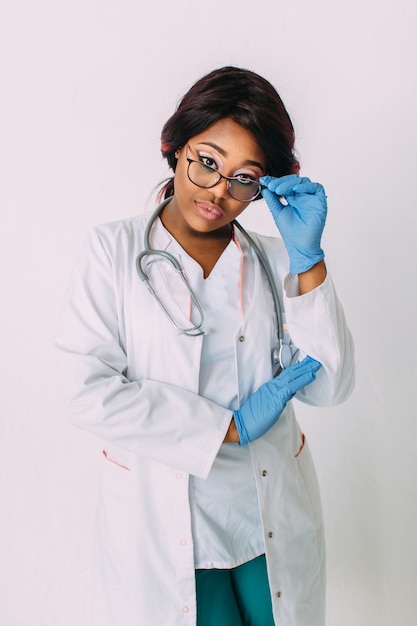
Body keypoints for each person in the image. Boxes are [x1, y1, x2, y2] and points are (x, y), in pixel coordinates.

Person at [55, 66, 355, 626]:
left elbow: (333, 385)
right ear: (176, 148)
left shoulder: (279, 259)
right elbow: (86, 392)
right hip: (165, 516)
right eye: (207, 161)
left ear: (264, 186)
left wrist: (310, 263)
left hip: (267, 512)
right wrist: (226, 427)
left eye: (245, 177)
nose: (219, 190)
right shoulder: (111, 251)